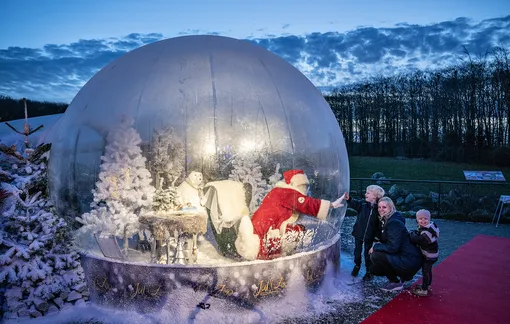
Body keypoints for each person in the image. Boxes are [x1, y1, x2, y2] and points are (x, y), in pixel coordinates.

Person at [236, 169, 345, 260]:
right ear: (294, 184)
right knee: (267, 254)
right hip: (261, 233)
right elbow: (306, 203)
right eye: (303, 186)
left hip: (263, 229)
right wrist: (330, 205)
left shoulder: (279, 191)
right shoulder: (287, 192)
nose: (305, 190)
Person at [368, 197, 423, 291]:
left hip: (409, 260)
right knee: (373, 269)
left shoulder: (393, 223)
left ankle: (395, 282)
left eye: (384, 207)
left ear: (391, 208)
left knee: (375, 255)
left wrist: (376, 246)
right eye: (379, 207)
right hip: (406, 257)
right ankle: (402, 276)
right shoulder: (390, 218)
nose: (381, 209)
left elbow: (393, 247)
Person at [345, 185, 385, 281]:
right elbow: (355, 204)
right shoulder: (362, 204)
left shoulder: (379, 209)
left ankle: (369, 271)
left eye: (368, 193)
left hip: (370, 237)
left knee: (368, 254)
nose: (365, 194)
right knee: (357, 252)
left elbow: (379, 225)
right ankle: (357, 265)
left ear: (374, 196)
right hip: (359, 233)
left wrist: (377, 237)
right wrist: (349, 199)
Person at [409, 209, 439, 297]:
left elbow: (418, 240)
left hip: (430, 256)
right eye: (420, 219)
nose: (423, 221)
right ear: (417, 220)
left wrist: (411, 233)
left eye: (425, 219)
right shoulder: (429, 227)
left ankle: (424, 290)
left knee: (425, 271)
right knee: (428, 270)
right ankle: (427, 285)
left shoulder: (427, 232)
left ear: (429, 219)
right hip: (433, 254)